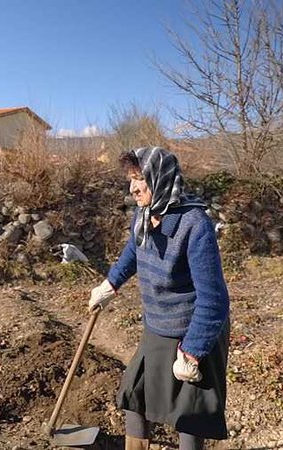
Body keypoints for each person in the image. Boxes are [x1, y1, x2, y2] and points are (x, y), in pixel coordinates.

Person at [88, 146, 231, 450]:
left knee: (188, 415)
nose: (133, 187)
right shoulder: (144, 215)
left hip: (193, 330)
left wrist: (192, 353)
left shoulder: (195, 225)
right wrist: (109, 285)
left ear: (161, 178)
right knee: (134, 395)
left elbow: (214, 299)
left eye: (141, 178)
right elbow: (133, 250)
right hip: (158, 325)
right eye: (131, 179)